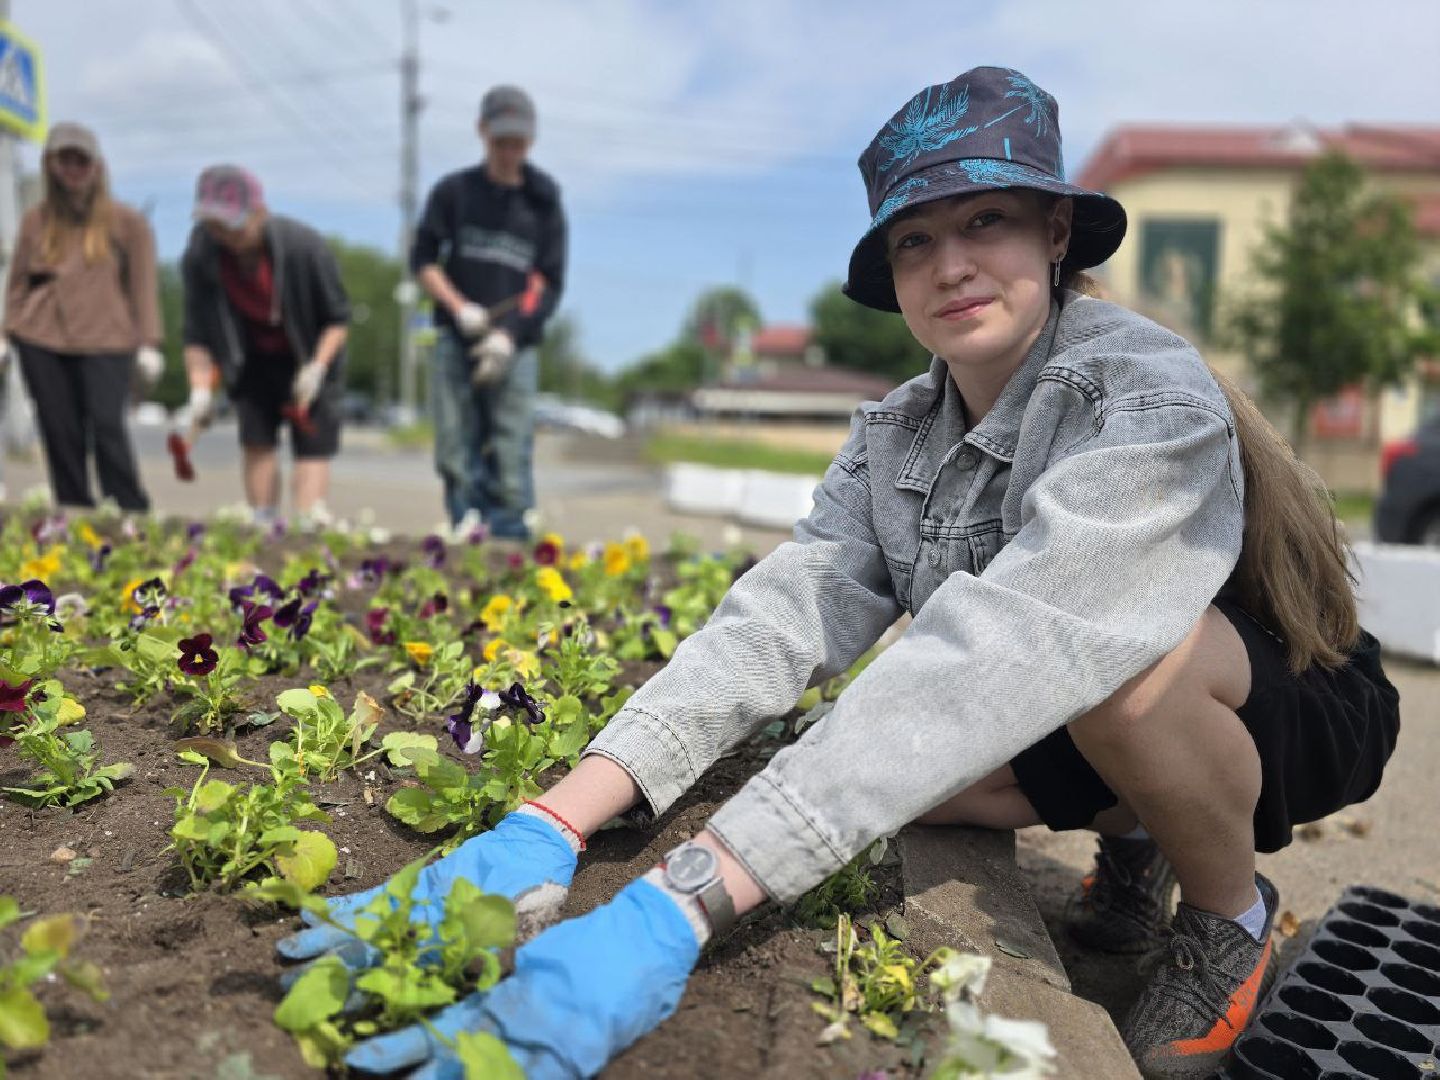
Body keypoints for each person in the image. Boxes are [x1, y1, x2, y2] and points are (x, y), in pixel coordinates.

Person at [278, 68, 1400, 1080]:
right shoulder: (894, 435)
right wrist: (551, 824)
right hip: (1083, 684)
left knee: (1124, 687)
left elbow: (1019, 646)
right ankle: (1143, 828)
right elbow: (789, 611)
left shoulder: (1142, 396)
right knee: (909, 778)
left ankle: (1227, 914)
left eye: (987, 221)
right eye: (915, 240)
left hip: (1278, 695)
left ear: (1057, 232)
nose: (950, 264)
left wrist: (681, 904)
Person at [412, 84, 567, 541]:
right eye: (501, 142)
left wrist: (509, 336)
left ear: (531, 141)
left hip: (515, 345)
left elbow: (549, 282)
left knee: (511, 440)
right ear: (483, 133)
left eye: (518, 143)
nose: (509, 152)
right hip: (457, 335)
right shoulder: (454, 193)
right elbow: (422, 260)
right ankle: (466, 525)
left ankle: (512, 533)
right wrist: (460, 310)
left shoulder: (543, 202)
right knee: (455, 441)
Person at [3, 122, 162, 512]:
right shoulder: (36, 221)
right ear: (50, 165)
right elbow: (18, 283)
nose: (72, 169)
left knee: (107, 427)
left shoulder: (127, 223)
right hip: (41, 337)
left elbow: (142, 285)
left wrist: (148, 343)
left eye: (81, 160)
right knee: (60, 431)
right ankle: (74, 513)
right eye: (64, 160)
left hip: (107, 338)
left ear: (96, 166)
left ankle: (131, 512)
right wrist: (5, 335)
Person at [180, 165, 350, 529]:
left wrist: (317, 369)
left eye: (232, 223)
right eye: (214, 224)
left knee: (312, 445)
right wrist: (199, 390)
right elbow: (196, 334)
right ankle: (263, 522)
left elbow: (337, 320)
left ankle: (308, 523)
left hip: (308, 353)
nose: (224, 233)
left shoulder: (304, 248)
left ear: (260, 213)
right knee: (257, 440)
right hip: (250, 357)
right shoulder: (201, 254)